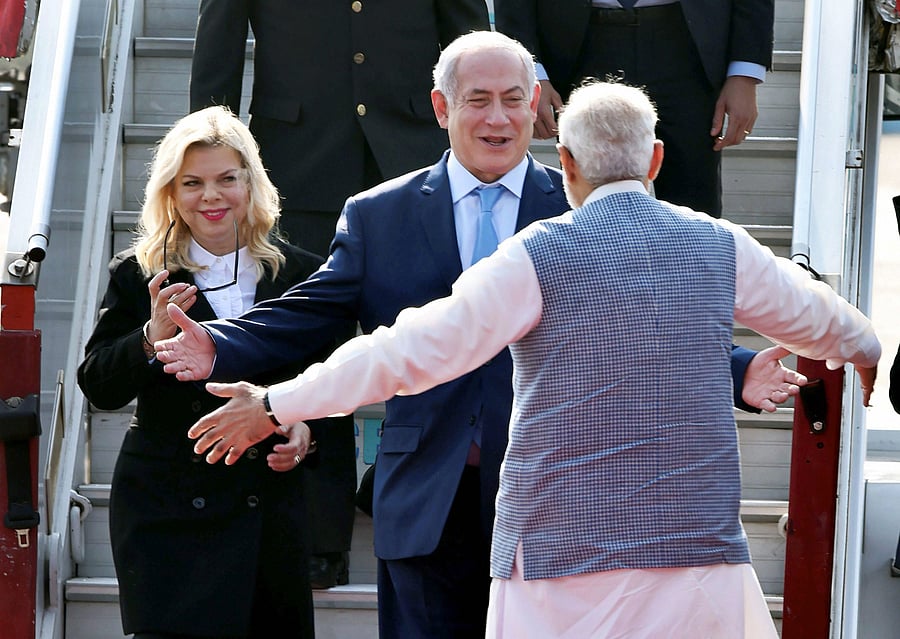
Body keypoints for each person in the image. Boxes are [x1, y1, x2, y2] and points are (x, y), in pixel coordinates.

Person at [162, 80, 880, 638]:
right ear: (657, 160)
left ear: (563, 164)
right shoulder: (722, 247)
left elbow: (407, 351)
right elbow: (823, 319)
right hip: (697, 563)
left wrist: (278, 401)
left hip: (555, 566)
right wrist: (867, 349)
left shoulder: (536, 257)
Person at [188, 0, 491, 586]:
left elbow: (469, 32)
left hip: (411, 154)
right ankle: (318, 539)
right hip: (297, 158)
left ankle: (414, 487)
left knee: (436, 333)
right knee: (309, 344)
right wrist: (211, 151)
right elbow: (219, 45)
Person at [76, 106, 350, 638]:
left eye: (227, 179)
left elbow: (337, 381)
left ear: (252, 183)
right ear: (171, 194)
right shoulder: (139, 273)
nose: (212, 196)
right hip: (169, 515)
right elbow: (98, 385)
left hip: (268, 515)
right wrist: (149, 339)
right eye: (193, 183)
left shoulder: (303, 273)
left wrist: (306, 431)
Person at [493, 0, 774, 217]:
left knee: (694, 205)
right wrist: (530, 70)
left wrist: (745, 71)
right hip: (578, 44)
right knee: (593, 206)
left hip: (688, 49)